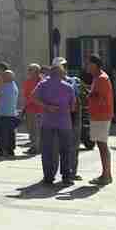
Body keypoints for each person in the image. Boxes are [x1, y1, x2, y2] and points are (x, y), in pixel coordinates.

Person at [32, 58, 76, 187]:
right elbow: (73, 107)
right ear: (62, 74)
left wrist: (46, 106)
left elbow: (33, 98)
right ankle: (66, 176)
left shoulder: (43, 84)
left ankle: (48, 176)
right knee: (65, 150)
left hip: (47, 122)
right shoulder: (68, 87)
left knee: (47, 150)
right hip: (64, 122)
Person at [86, 54, 114, 186]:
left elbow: (100, 97)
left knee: (102, 146)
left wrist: (87, 94)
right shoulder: (97, 78)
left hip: (101, 116)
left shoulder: (102, 78)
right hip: (98, 116)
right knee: (101, 145)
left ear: (95, 65)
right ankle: (106, 174)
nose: (87, 67)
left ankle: (106, 175)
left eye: (89, 64)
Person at [0, 69, 19, 158]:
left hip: (4, 114)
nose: (2, 77)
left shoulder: (5, 86)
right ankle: (10, 151)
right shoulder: (13, 85)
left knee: (2, 134)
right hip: (11, 114)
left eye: (3, 76)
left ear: (8, 77)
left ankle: (0, 151)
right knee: (10, 134)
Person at [22, 64, 43, 155]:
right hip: (29, 109)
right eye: (29, 69)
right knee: (31, 129)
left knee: (38, 129)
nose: (29, 71)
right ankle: (34, 146)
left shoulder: (42, 81)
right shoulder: (27, 82)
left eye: (31, 70)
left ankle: (38, 147)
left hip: (39, 109)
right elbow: (26, 95)